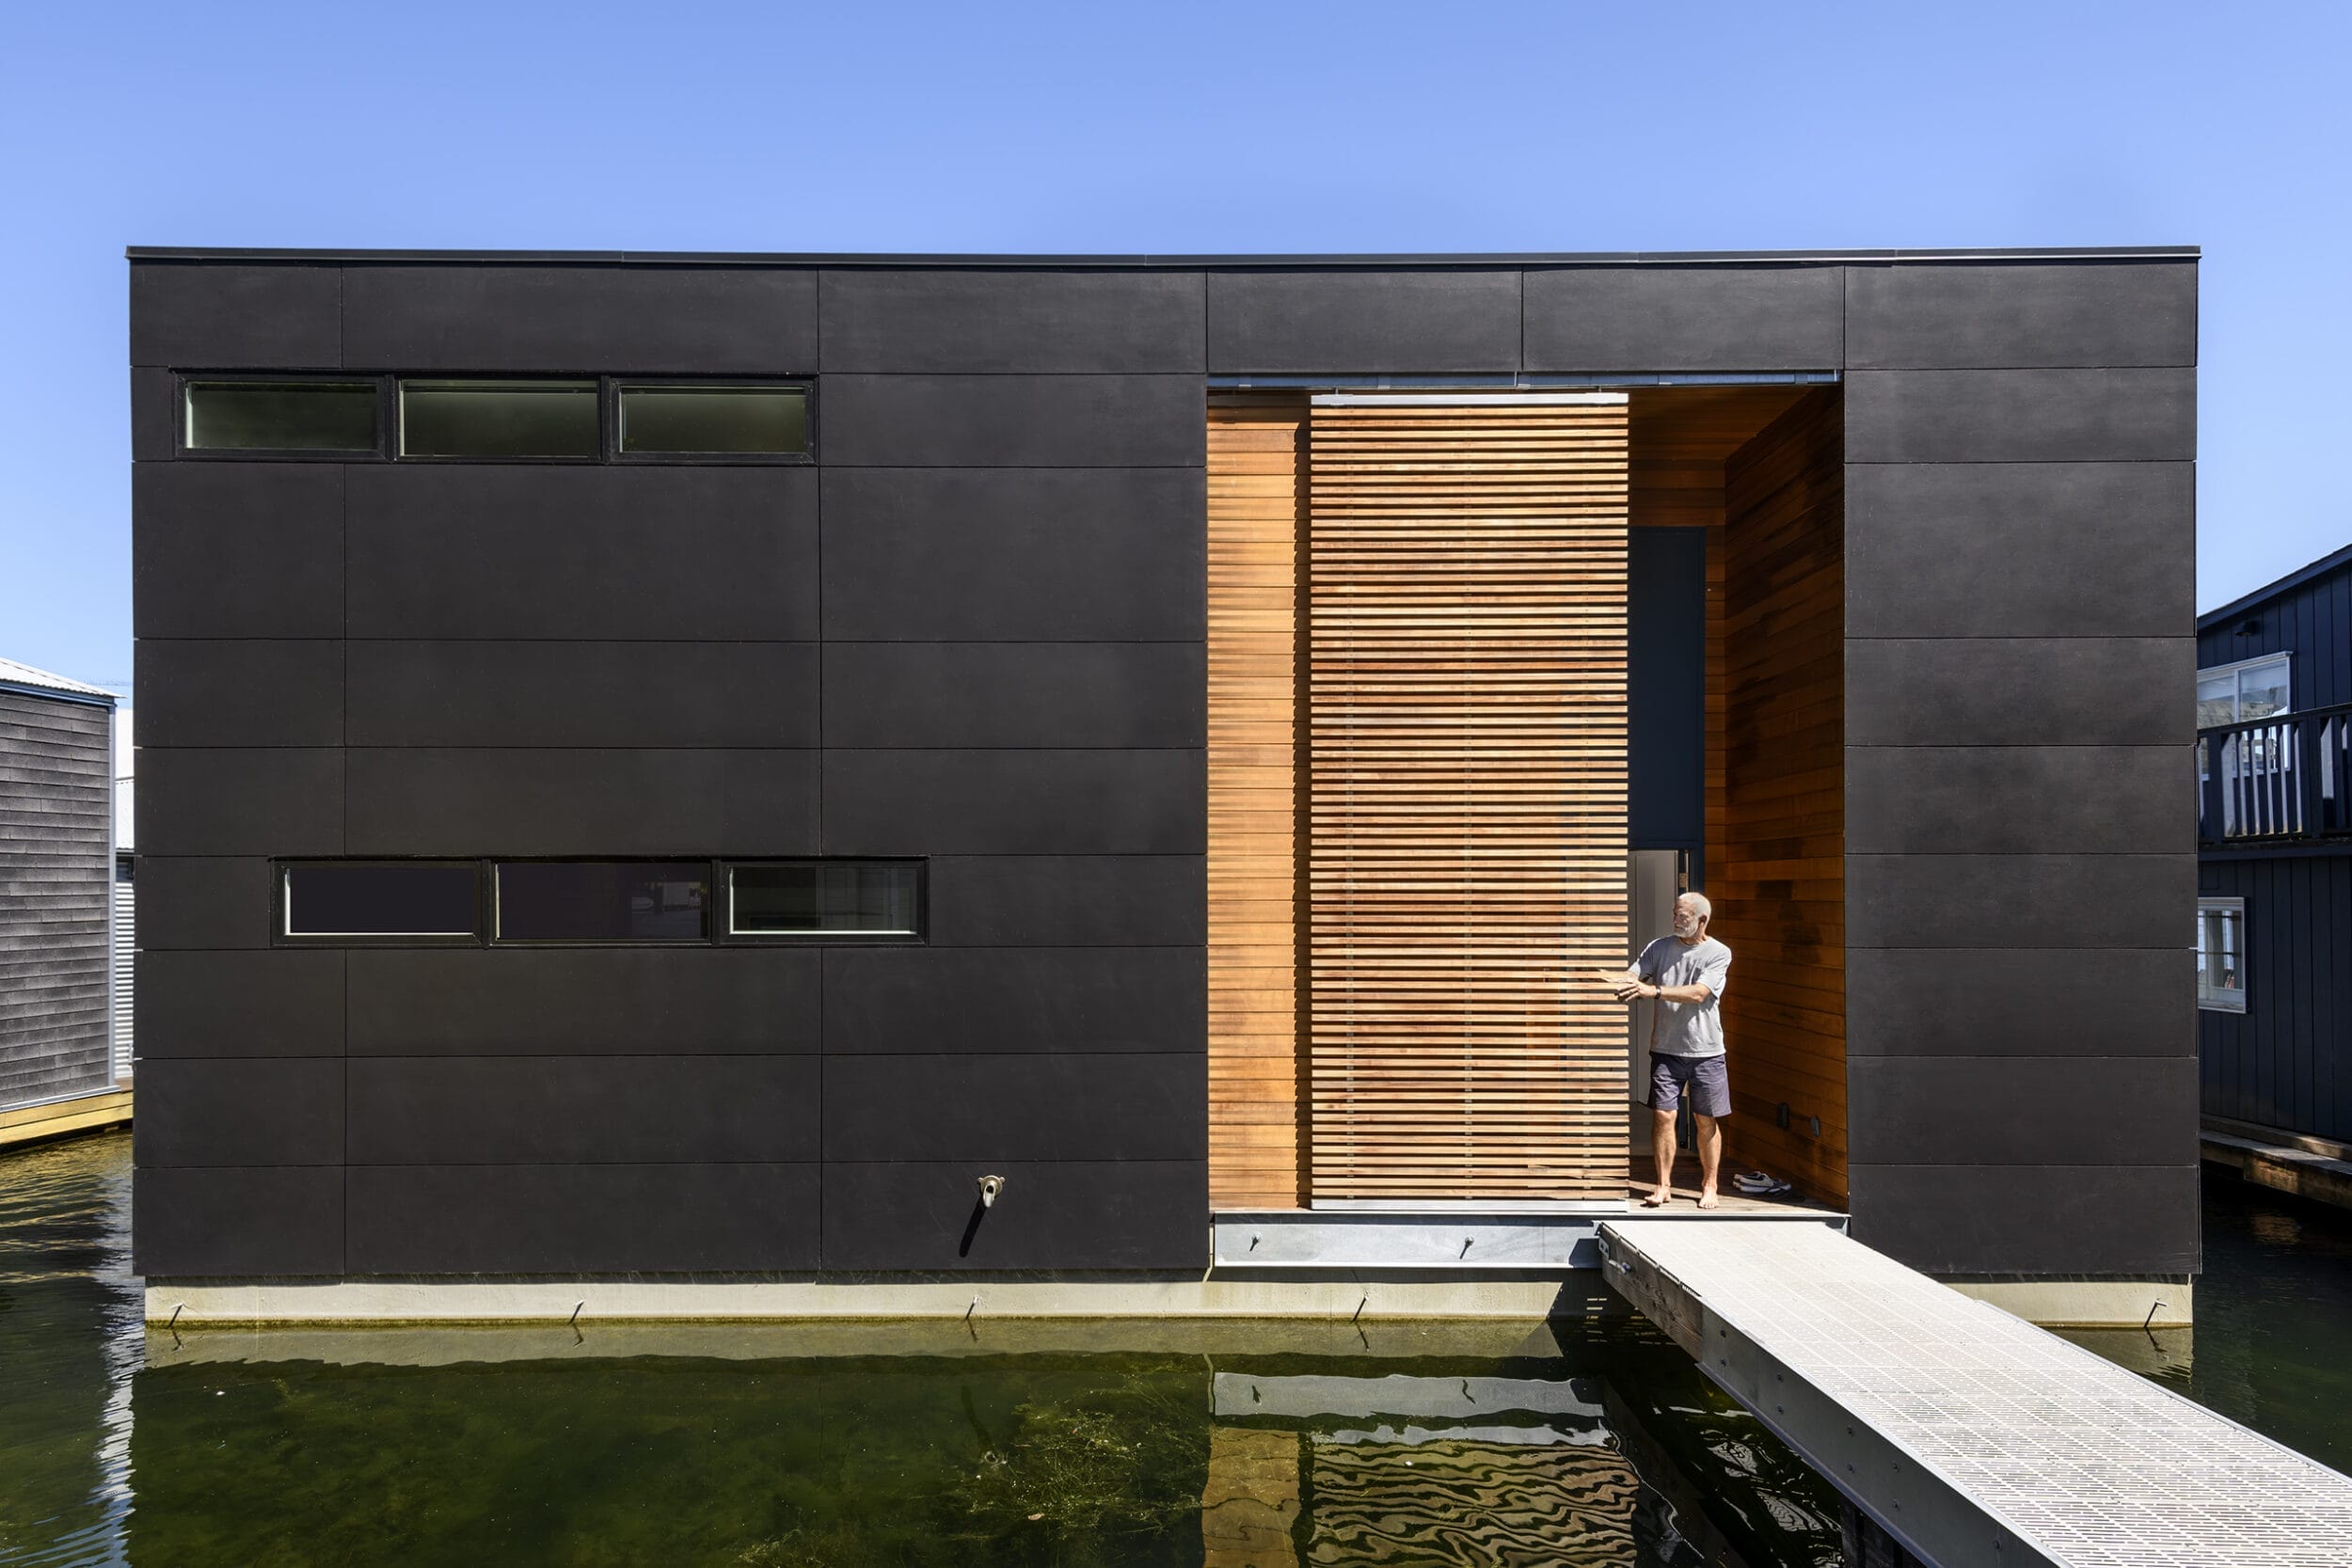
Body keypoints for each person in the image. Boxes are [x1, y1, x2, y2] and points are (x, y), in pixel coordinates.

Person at [1604, 892, 1732, 1209]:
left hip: (1707, 1052)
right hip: (1665, 1049)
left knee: (1705, 1119)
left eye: (1684, 916)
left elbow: (1700, 993)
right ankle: (1662, 1186)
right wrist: (1615, 979)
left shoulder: (1719, 953)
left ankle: (1710, 1184)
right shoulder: (1659, 947)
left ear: (1703, 920)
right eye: (1675, 913)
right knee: (1663, 1115)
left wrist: (1654, 990)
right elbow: (1635, 974)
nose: (1676, 920)